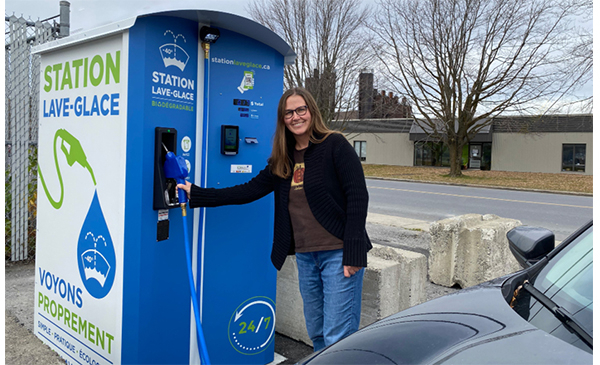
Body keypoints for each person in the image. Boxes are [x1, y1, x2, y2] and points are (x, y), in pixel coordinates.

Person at [178, 87, 371, 351]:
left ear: (312, 111)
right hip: (306, 256)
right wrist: (197, 194)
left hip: (338, 254)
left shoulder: (335, 145)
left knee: (338, 337)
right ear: (282, 120)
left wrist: (354, 252)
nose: (295, 117)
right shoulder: (284, 159)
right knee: (317, 333)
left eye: (301, 109)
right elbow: (248, 190)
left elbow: (358, 198)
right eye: (288, 113)